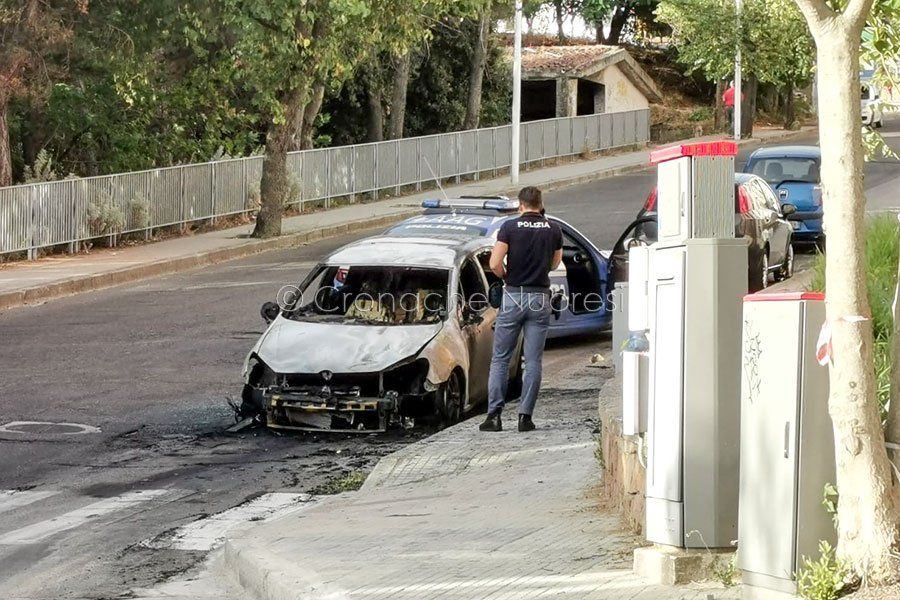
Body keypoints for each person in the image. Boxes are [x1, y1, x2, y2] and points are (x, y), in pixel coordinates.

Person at [479, 186, 562, 433]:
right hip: (539, 297)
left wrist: (507, 275)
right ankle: (525, 418)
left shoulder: (509, 227)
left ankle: (494, 416)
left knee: (501, 358)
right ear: (541, 204)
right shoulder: (553, 229)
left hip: (514, 295)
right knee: (533, 360)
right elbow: (555, 262)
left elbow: (494, 262)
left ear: (520, 205)